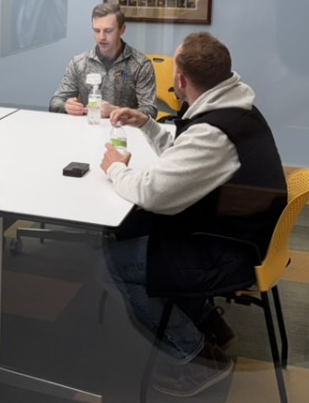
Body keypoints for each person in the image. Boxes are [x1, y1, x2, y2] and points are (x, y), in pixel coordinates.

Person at [98, 32, 287, 397]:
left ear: (181, 80)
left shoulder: (215, 133)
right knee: (135, 230)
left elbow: (154, 193)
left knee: (110, 265)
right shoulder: (234, 106)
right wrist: (147, 124)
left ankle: (199, 356)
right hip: (237, 231)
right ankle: (211, 325)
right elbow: (191, 154)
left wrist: (115, 169)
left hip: (227, 252)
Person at [49, 2, 157, 119]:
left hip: (125, 131)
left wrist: (116, 111)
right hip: (88, 128)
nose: (101, 37)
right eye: (96, 30)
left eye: (108, 31)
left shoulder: (140, 65)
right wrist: (66, 106)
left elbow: (150, 111)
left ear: (122, 30)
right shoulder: (79, 63)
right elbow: (55, 103)